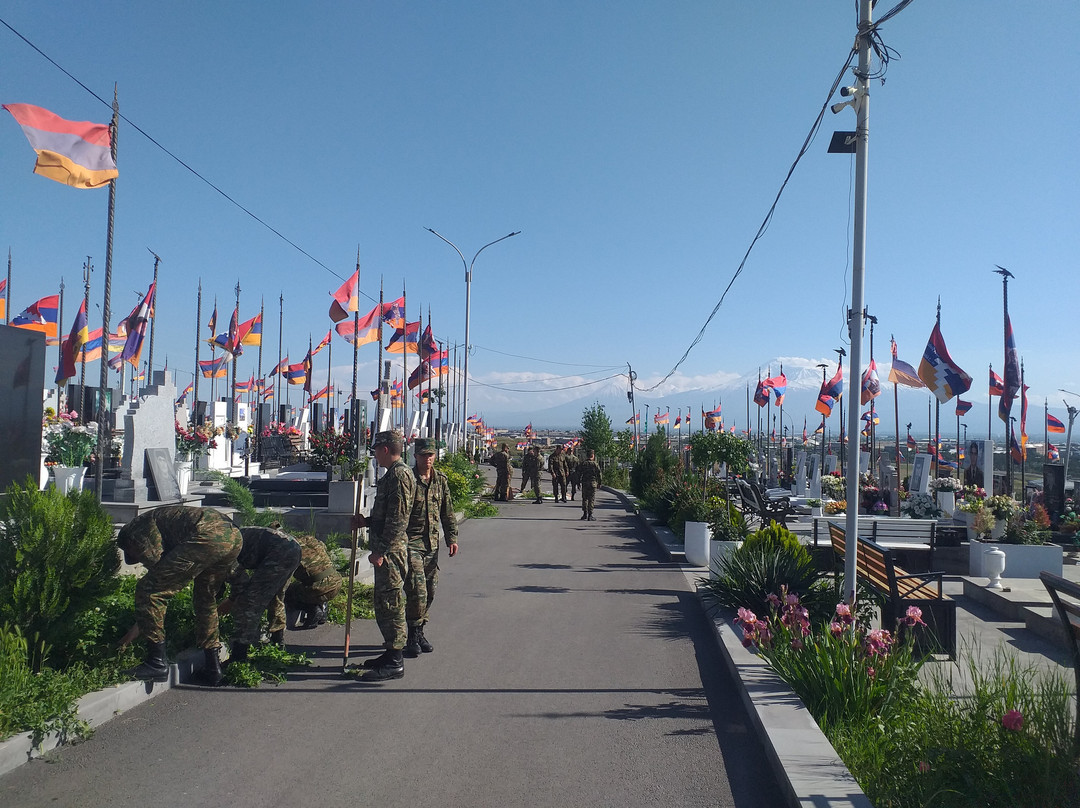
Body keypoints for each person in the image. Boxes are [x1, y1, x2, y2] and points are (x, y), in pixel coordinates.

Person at [116, 505, 243, 686]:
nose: (141, 561)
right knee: (205, 600)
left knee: (149, 590)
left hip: (206, 537)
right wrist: (137, 628)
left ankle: (156, 663)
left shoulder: (134, 533)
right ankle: (213, 669)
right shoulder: (159, 522)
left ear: (129, 548)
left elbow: (156, 583)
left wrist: (134, 632)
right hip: (233, 536)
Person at [352, 430, 415, 681]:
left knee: (391, 604)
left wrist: (381, 551)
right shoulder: (393, 475)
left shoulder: (399, 476)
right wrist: (365, 521)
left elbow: (398, 520)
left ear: (386, 450)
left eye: (376, 450)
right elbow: (386, 516)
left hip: (391, 552)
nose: (375, 455)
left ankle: (395, 661)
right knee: (384, 603)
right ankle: (390, 652)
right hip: (388, 548)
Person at [403, 438, 459, 657]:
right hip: (411, 543)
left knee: (430, 590)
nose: (428, 459)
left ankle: (419, 631)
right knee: (417, 590)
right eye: (423, 455)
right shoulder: (408, 479)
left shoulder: (440, 480)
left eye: (431, 455)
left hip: (432, 545)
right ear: (415, 456)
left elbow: (448, 511)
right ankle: (412, 635)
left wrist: (452, 538)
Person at [221, 526, 302, 662]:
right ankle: (277, 640)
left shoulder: (222, 551)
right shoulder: (227, 537)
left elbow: (241, 583)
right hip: (292, 548)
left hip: (279, 552)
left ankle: (239, 655)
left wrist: (230, 601)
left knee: (249, 601)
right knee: (275, 595)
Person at [270, 532, 343, 630]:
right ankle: (323, 611)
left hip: (320, 589)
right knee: (315, 582)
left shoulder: (288, 551)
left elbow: (281, 577)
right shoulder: (309, 539)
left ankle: (313, 610)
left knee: (288, 592)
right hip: (336, 581)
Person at [578, 449, 602, 521]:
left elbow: (578, 473)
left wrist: (578, 482)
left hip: (585, 483)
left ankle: (585, 514)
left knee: (584, 498)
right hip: (592, 483)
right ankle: (590, 515)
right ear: (592, 455)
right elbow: (599, 474)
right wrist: (599, 483)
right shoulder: (595, 464)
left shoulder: (583, 464)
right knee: (591, 499)